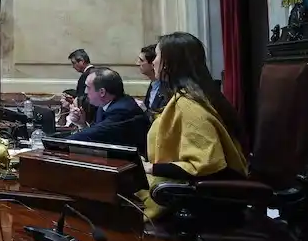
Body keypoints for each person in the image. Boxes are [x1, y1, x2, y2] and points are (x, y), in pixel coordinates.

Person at [141, 32, 250, 221]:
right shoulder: (196, 94)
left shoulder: (188, 104)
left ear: (169, 62)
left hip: (206, 201)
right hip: (200, 191)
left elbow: (204, 164)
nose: (153, 62)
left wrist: (151, 168)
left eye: (157, 56)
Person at [67, 67, 150, 156]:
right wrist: (82, 124)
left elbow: (95, 134)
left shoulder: (122, 110)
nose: (86, 92)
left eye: (88, 87)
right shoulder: (104, 106)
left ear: (102, 92)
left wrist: (59, 142)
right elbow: (95, 135)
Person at [138, 43, 167, 113]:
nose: (137, 63)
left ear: (152, 64)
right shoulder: (153, 83)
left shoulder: (167, 88)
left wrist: (145, 110)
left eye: (141, 60)